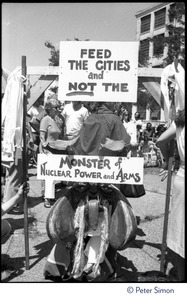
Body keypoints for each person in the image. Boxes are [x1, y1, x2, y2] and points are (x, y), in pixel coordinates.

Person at [156, 108, 185, 281]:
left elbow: (160, 140)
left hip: (182, 176)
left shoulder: (180, 121)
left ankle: (182, 278)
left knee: (179, 232)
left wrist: (168, 159)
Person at [40, 94, 65, 208]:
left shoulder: (59, 119)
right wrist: (45, 147)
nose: (58, 109)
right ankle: (47, 198)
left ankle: (51, 194)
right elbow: (42, 136)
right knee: (48, 175)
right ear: (50, 108)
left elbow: (61, 134)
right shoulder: (45, 119)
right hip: (48, 150)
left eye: (59, 107)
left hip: (57, 148)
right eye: (56, 108)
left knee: (54, 174)